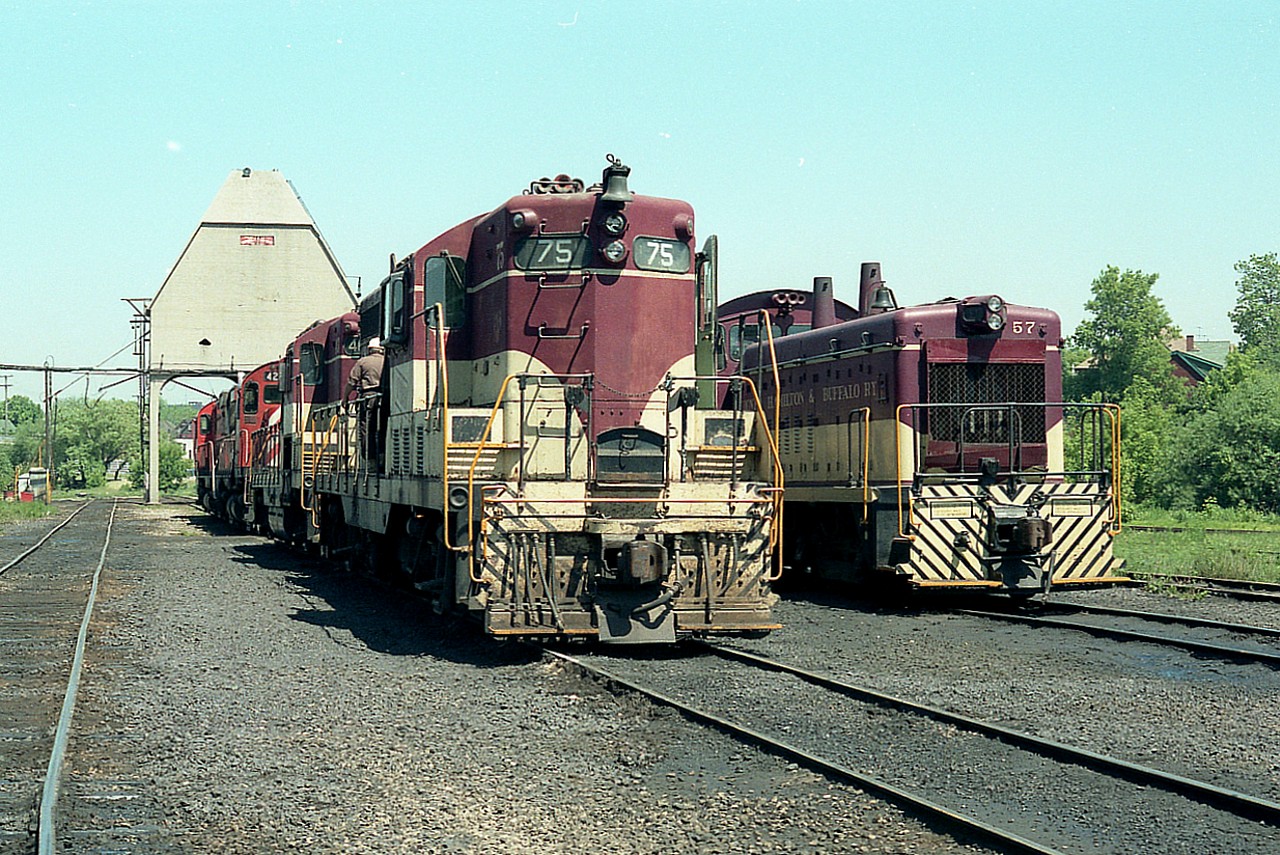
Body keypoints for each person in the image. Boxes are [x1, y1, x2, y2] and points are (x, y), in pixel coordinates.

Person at [345, 338, 385, 466]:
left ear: (369, 349)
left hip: (368, 397)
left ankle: (370, 461)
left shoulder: (363, 362)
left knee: (366, 428)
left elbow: (352, 382)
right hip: (385, 397)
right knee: (382, 427)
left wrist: (345, 398)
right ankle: (383, 456)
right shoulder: (387, 361)